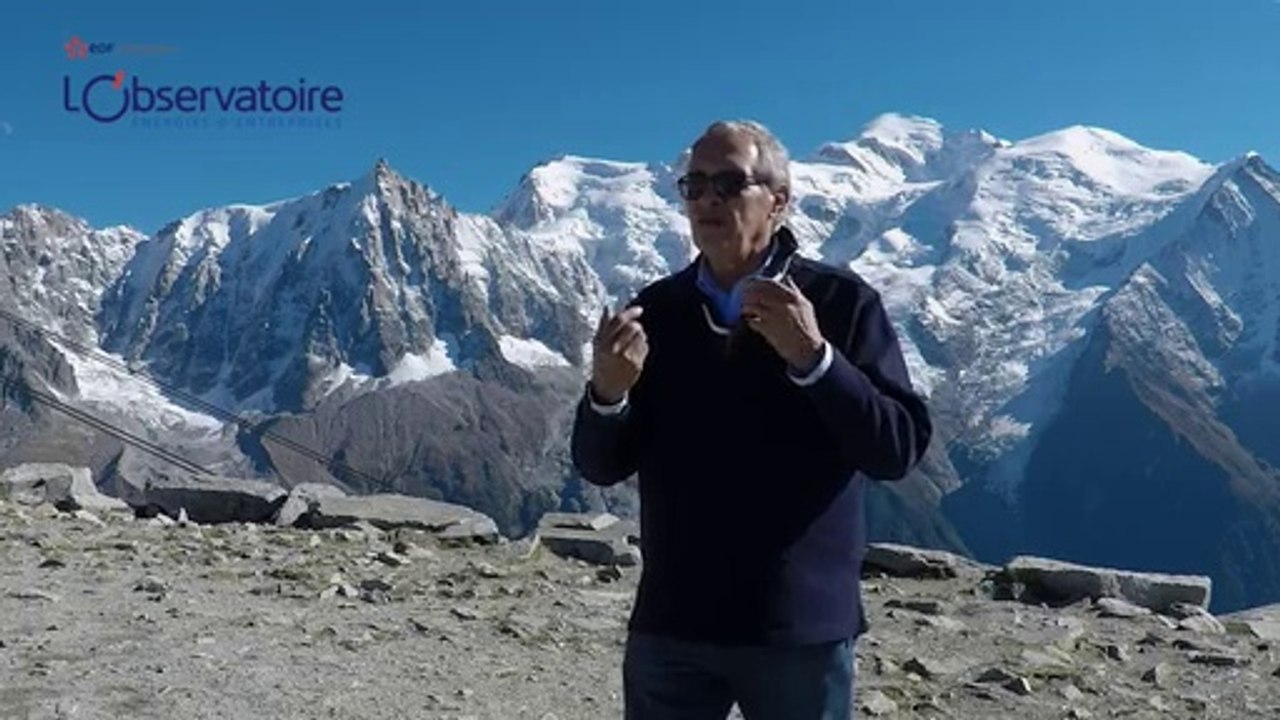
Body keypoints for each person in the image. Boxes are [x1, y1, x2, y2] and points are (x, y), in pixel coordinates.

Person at [570, 119, 933, 719]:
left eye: (730, 183)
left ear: (779, 202)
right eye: (695, 185)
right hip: (673, 624)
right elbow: (599, 466)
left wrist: (816, 361)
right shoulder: (657, 312)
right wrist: (608, 394)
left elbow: (895, 449)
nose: (708, 199)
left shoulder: (840, 305)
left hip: (798, 626)